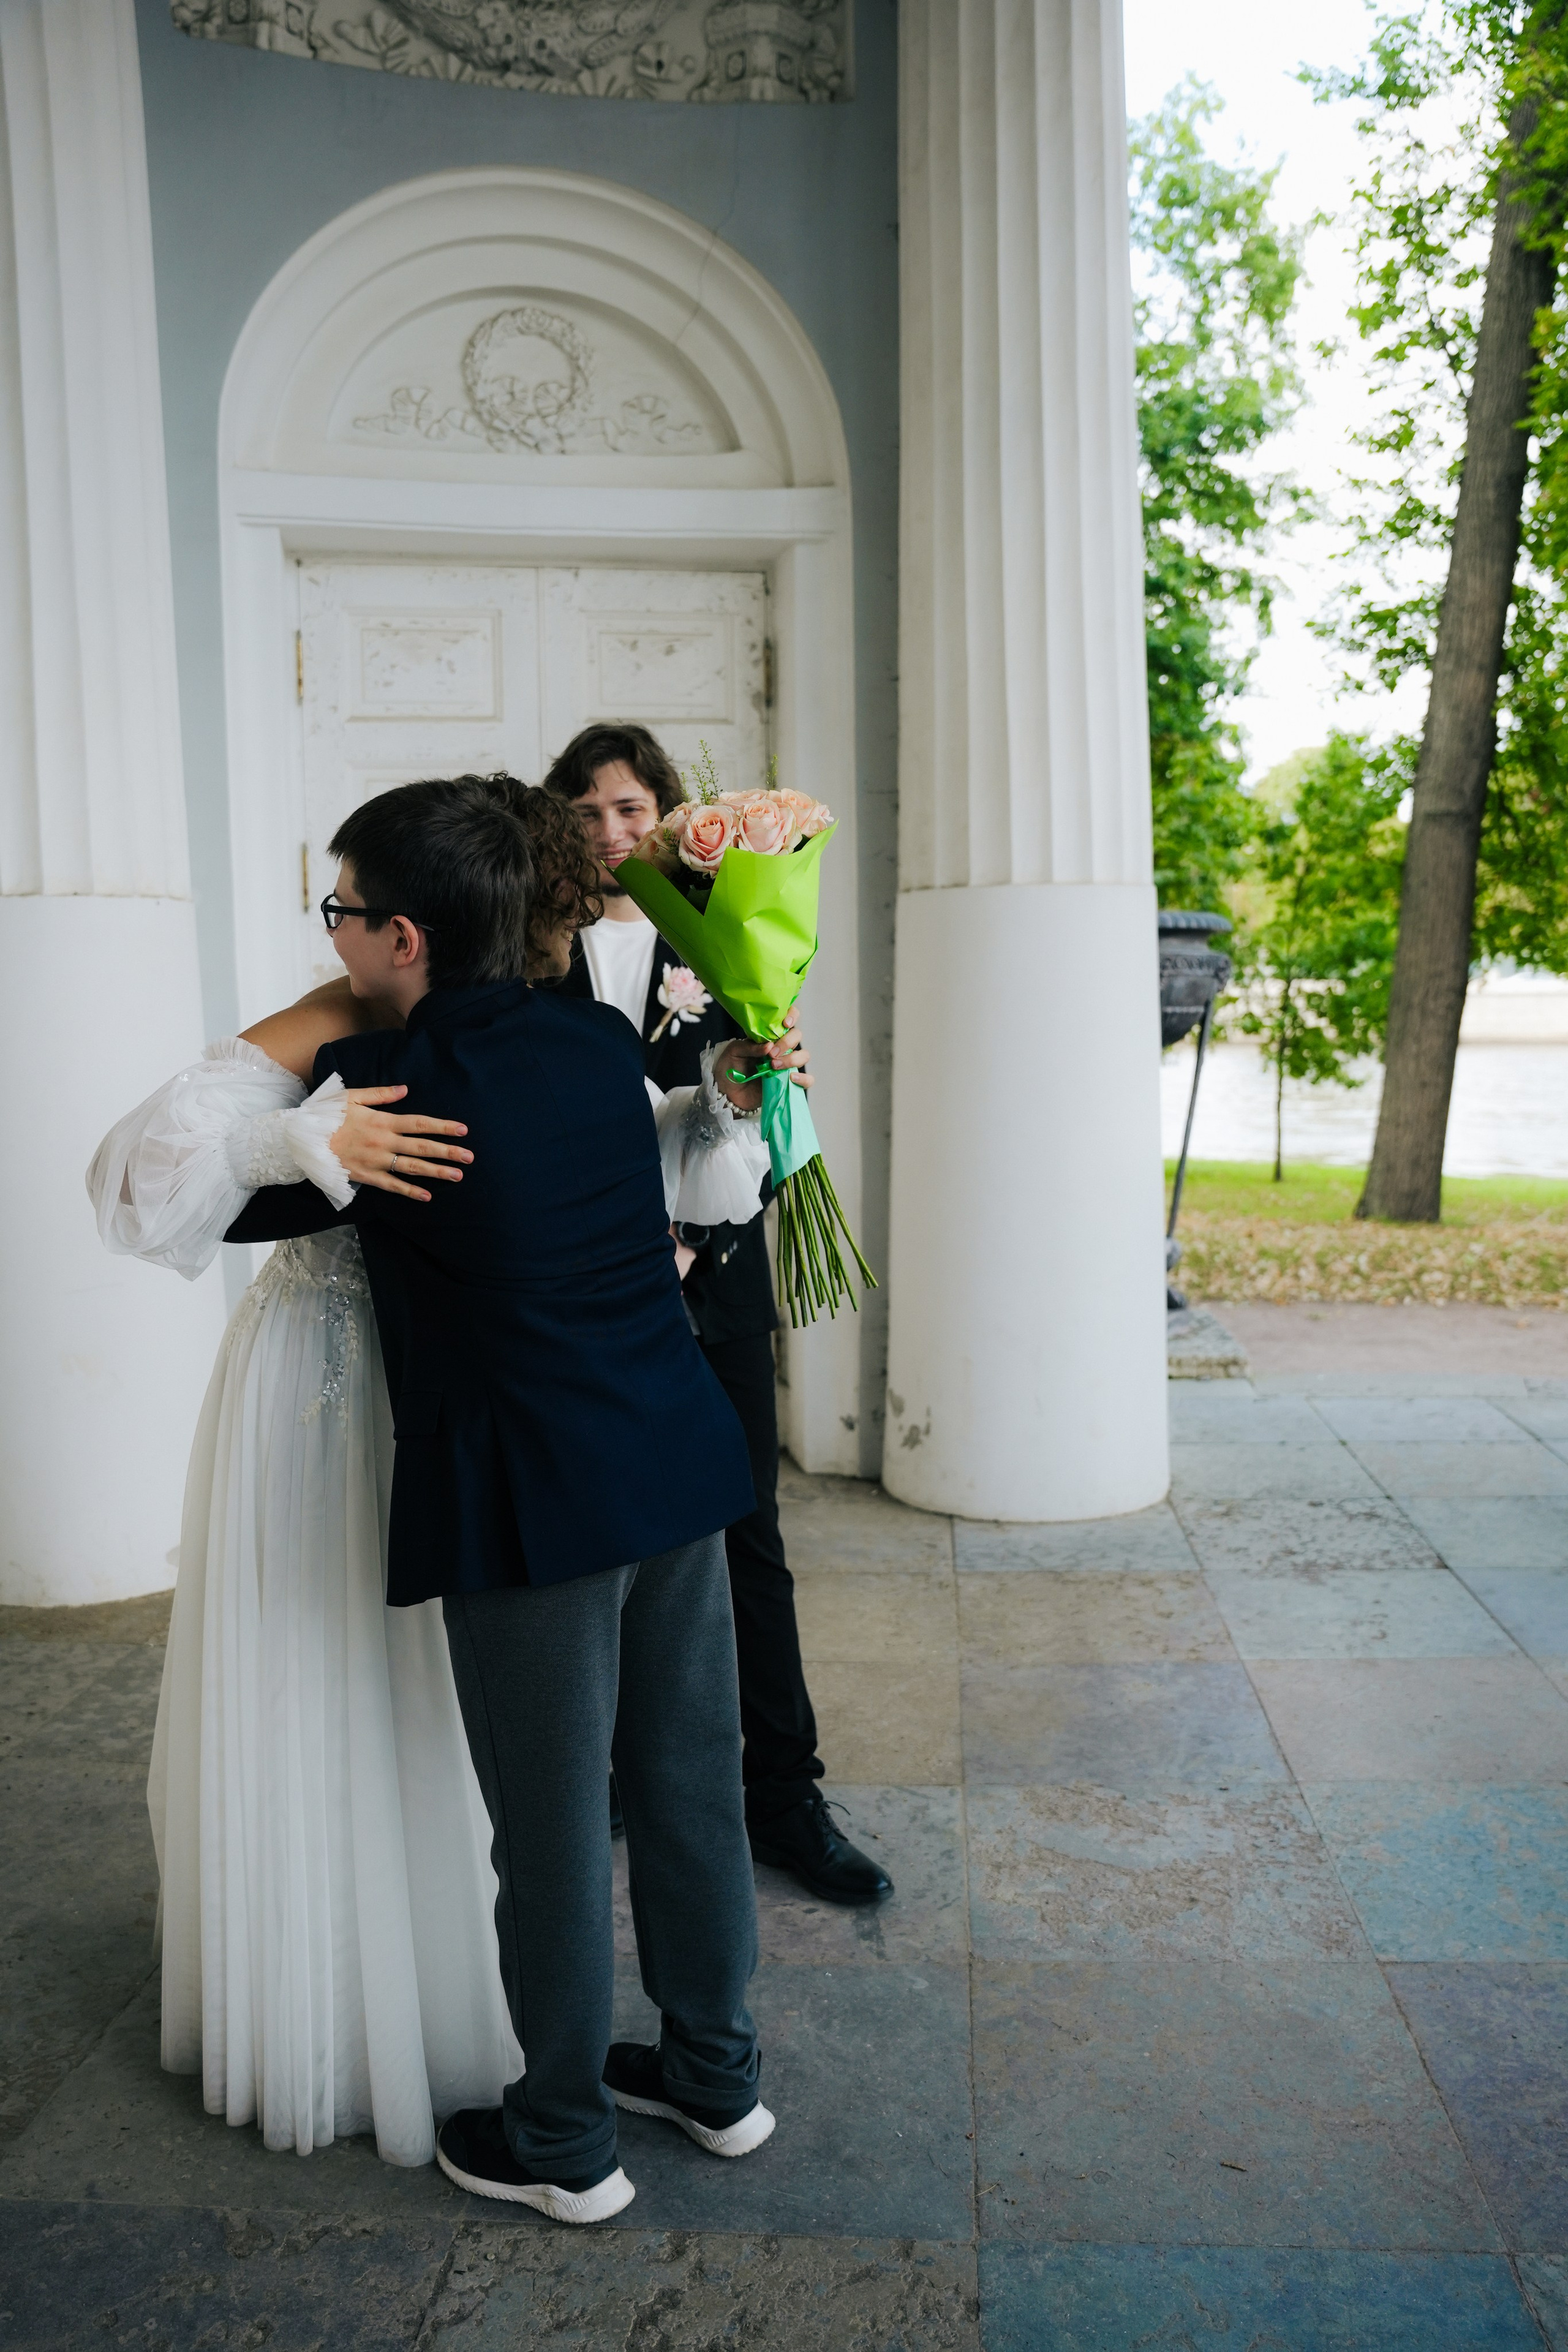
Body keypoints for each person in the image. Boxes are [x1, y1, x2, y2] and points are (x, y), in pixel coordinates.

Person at [85, 783, 774, 2177]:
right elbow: (637, 1181)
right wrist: (716, 1099)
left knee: (554, 1830)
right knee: (694, 1785)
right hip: (677, 1467)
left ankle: (565, 2141)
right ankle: (717, 2078)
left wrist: (298, 1135)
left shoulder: (381, 1103)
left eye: (339, 910)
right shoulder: (591, 1043)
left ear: (401, 936)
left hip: (535, 1506)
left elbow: (154, 1193)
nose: (329, 934)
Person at [544, 723, 893, 1907]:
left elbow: (751, 1113)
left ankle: (785, 1797)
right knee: (596, 1548)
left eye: (632, 810)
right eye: (587, 814)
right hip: (584, 1296)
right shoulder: (530, 958)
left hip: (719, 1284)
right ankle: (605, 1786)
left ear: (671, 818)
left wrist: (774, 1069)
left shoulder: (731, 944)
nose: (611, 835)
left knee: (751, 1546)